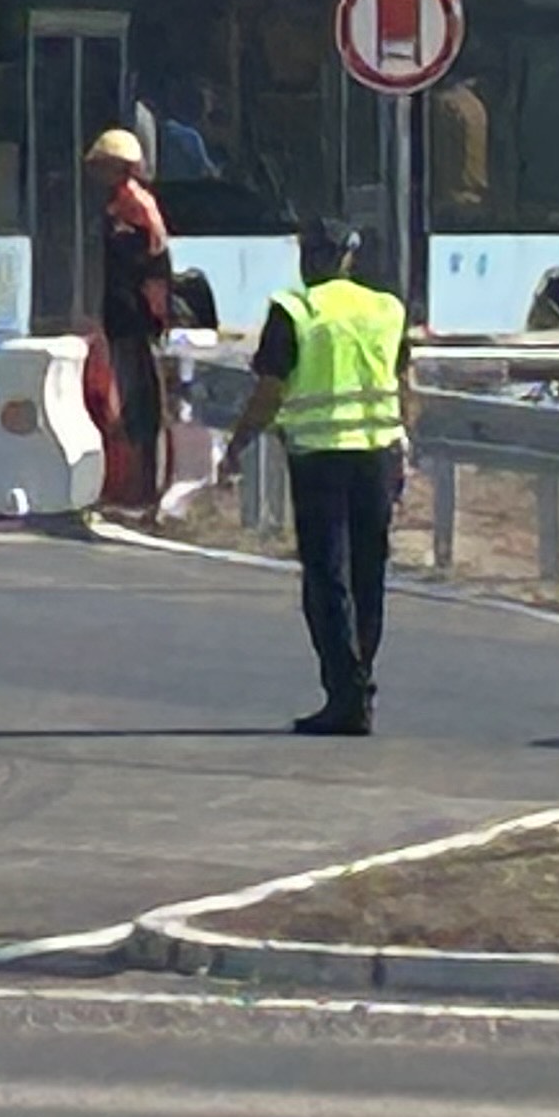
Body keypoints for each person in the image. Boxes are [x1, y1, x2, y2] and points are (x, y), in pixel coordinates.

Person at [228, 214, 411, 736]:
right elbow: (405, 382)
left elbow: (268, 392)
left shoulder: (295, 310)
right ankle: (360, 683)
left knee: (327, 578)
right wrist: (404, 445)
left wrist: (237, 445)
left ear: (309, 257)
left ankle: (346, 694)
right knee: (368, 574)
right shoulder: (385, 308)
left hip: (319, 458)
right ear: (349, 257)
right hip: (376, 454)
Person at [83, 125, 172, 510]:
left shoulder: (136, 207)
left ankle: (144, 489)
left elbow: (154, 266)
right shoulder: (118, 204)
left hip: (135, 319)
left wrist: (156, 316)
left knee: (141, 401)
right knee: (131, 399)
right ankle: (136, 484)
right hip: (121, 317)